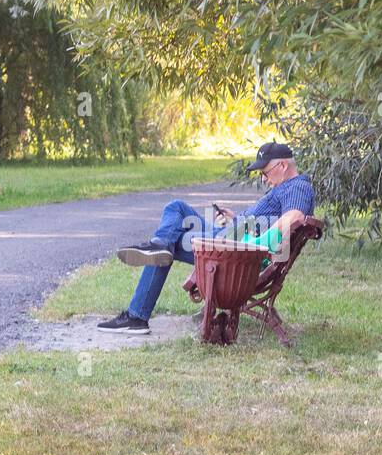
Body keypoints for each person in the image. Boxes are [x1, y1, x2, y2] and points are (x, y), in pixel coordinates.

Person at [97, 142, 315, 333]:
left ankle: (138, 313)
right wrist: (238, 220)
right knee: (177, 210)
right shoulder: (286, 187)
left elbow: (294, 217)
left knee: (170, 235)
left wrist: (253, 244)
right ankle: (158, 247)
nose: (264, 179)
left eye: (265, 172)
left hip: (234, 252)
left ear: (283, 166)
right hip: (231, 239)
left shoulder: (298, 187)